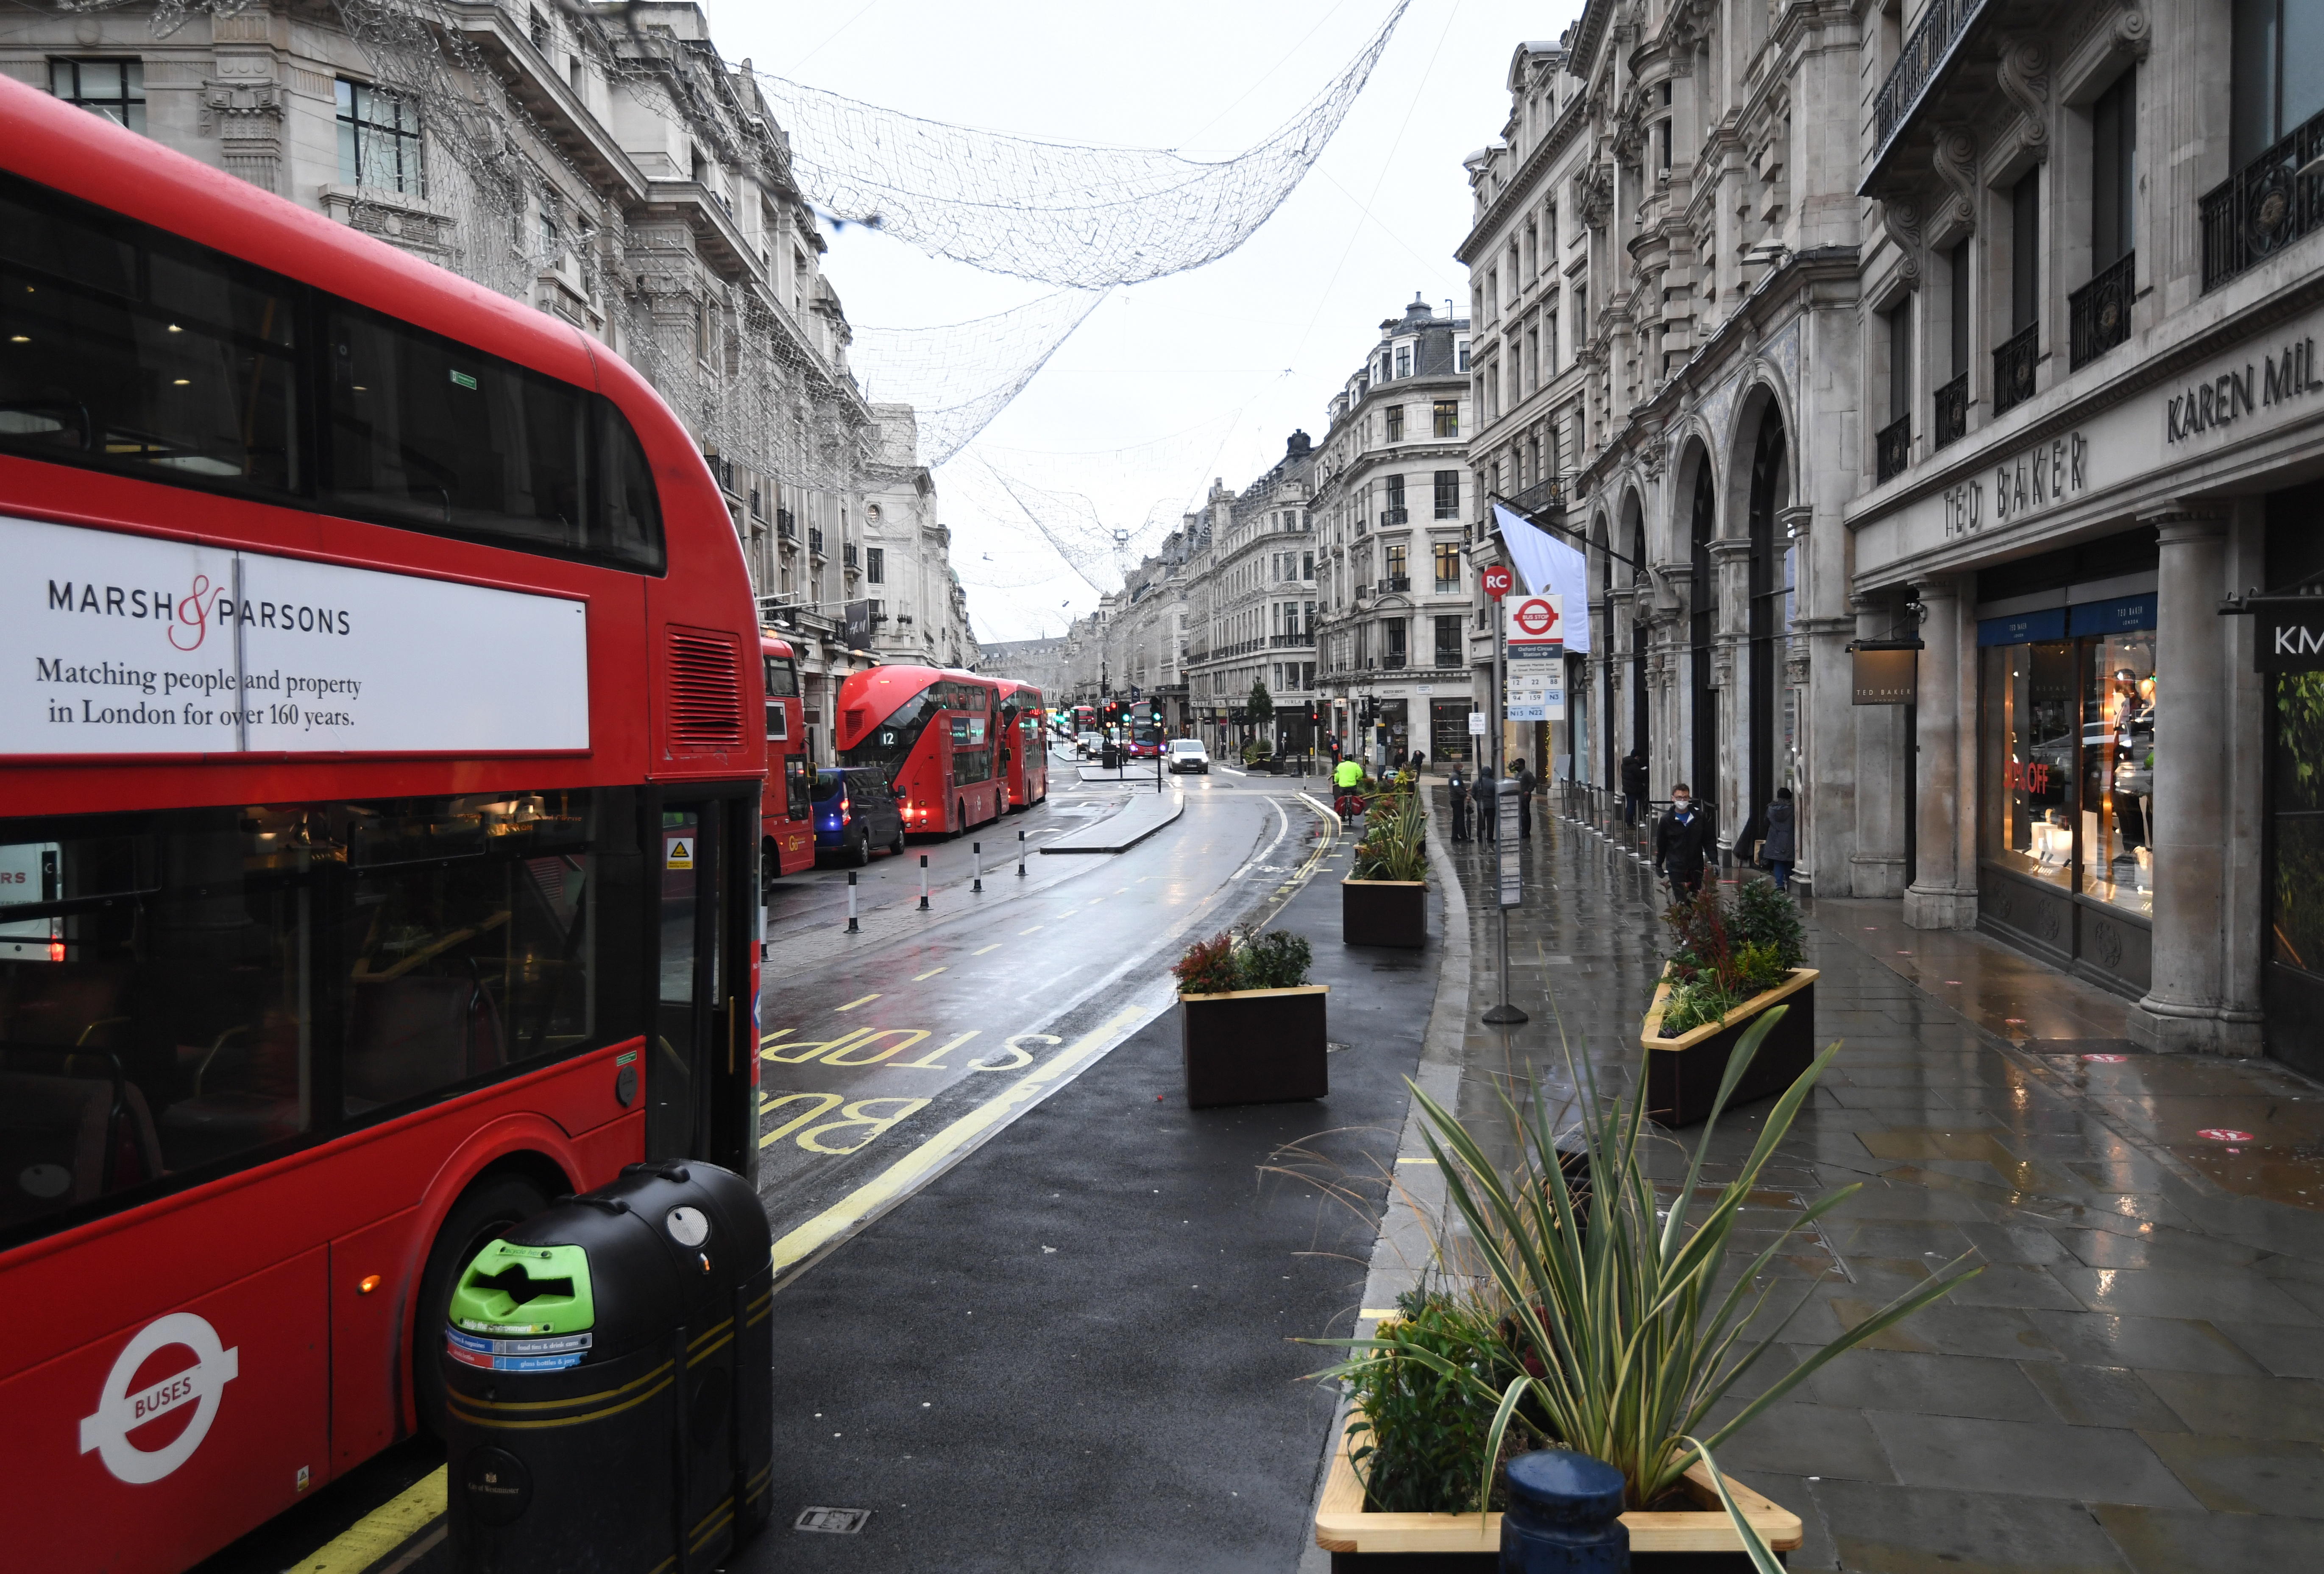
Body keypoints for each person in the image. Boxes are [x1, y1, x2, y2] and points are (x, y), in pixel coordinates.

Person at [1655, 782, 1712, 899]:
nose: (1682, 800)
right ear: (1673, 799)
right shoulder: (1666, 820)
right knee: (1681, 899)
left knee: (1694, 899)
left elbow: (1708, 840)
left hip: (1696, 866)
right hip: (1676, 867)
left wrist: (1714, 861)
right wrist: (1659, 864)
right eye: (1679, 798)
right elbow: (1662, 844)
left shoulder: (1699, 817)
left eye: (1685, 797)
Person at [1762, 786, 1796, 891]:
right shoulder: (1793, 809)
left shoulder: (1771, 809)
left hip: (1775, 839)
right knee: (1789, 861)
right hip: (1789, 838)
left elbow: (1765, 823)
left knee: (1778, 862)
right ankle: (1790, 883)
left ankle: (1780, 885)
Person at [1510, 756, 1536, 838]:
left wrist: (1528, 791)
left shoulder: (1527, 773)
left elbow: (1533, 782)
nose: (1516, 766)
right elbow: (1511, 769)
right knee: (1520, 816)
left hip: (1524, 798)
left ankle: (1526, 832)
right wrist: (1512, 764)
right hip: (1519, 798)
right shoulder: (1517, 773)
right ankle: (1522, 831)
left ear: (1522, 765)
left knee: (1525, 816)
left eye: (1518, 764)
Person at [1333, 753, 1364, 820]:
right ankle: (1352, 811)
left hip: (1343, 786)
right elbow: (1360, 774)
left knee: (1342, 799)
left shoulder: (1340, 765)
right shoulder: (1355, 765)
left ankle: (1343, 816)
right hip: (1353, 786)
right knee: (1354, 798)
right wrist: (1358, 779)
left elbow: (1337, 775)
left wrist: (1336, 780)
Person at [1621, 748, 1647, 826]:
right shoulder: (1634, 765)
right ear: (1637, 757)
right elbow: (1640, 775)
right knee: (1631, 806)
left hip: (1627, 788)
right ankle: (1630, 823)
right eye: (1639, 758)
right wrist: (1644, 771)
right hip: (1633, 788)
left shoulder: (1624, 764)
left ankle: (1627, 820)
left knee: (1629, 804)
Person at [1473, 766, 1497, 844]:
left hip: (1481, 805)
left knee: (1480, 821)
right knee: (1491, 822)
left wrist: (1478, 800)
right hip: (1491, 805)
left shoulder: (1477, 782)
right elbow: (1497, 794)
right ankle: (1490, 838)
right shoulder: (1494, 783)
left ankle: (1480, 838)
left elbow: (1473, 794)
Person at [1446, 766, 1471, 841]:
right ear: (1458, 768)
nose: (1463, 769)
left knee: (1456, 818)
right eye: (1461, 767)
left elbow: (1457, 788)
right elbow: (1457, 788)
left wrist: (1465, 790)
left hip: (1455, 799)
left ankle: (1455, 836)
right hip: (1457, 800)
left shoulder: (1455, 776)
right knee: (1460, 818)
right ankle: (1463, 836)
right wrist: (1465, 795)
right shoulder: (1455, 777)